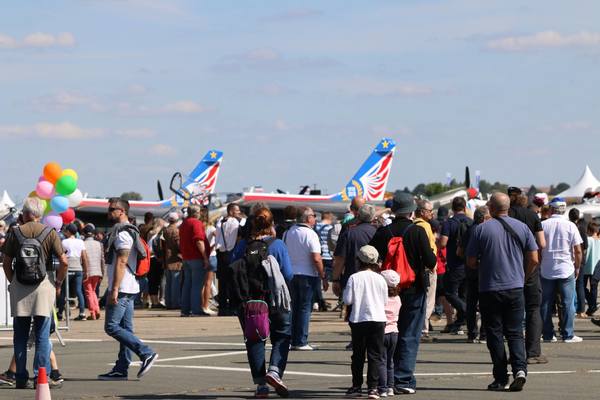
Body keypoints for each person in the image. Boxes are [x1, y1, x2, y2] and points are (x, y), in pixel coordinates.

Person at [466, 192, 539, 392]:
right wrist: (523, 277)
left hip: (490, 288)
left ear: (491, 207)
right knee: (515, 332)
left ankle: (500, 377)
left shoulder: (480, 230)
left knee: (495, 334)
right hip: (515, 287)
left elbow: (471, 262)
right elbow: (534, 258)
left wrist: (484, 262)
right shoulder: (522, 227)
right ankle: (520, 370)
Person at [369, 191, 437, 394]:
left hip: (387, 291)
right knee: (409, 334)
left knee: (388, 332)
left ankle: (385, 379)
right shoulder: (417, 231)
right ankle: (403, 379)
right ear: (412, 211)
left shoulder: (384, 232)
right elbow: (431, 261)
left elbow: (370, 257)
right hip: (413, 288)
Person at [0, 197, 68, 389]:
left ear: (27, 213)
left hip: (20, 287)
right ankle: (41, 375)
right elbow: (63, 261)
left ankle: (20, 376)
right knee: (42, 336)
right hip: (43, 286)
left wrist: (13, 280)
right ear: (39, 214)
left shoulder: (15, 232)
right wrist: (59, 282)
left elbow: (6, 262)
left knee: (20, 336)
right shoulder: (50, 233)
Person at [229, 207, 293, 398]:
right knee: (282, 335)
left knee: (255, 340)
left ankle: (260, 386)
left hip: (251, 301)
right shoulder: (278, 245)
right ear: (271, 224)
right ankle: (274, 371)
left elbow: (232, 268)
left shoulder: (243, 246)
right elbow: (288, 274)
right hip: (275, 299)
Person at [98, 198, 158, 380]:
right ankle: (122, 367)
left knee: (111, 327)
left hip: (123, 286)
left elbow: (122, 261)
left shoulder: (123, 234)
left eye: (112, 209)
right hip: (130, 286)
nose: (109, 212)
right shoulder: (127, 231)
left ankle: (146, 352)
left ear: (122, 211)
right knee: (126, 328)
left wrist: (113, 289)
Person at [507, 186, 548, 364]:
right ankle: (532, 352)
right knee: (533, 309)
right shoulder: (532, 216)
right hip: (529, 266)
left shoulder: (503, 216)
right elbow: (542, 243)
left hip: (508, 266)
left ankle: (514, 353)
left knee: (510, 311)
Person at [343, 245, 388, 399]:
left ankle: (356, 386)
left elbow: (348, 299)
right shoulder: (380, 278)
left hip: (359, 318)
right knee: (375, 354)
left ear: (359, 260)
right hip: (378, 318)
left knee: (358, 355)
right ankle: (373, 388)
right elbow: (384, 300)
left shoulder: (354, 277)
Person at [539, 198, 584, 343]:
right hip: (566, 268)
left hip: (546, 268)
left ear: (551, 209)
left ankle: (548, 334)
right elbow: (578, 250)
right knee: (568, 303)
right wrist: (577, 267)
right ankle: (568, 334)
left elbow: (538, 248)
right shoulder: (571, 226)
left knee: (545, 303)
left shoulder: (543, 225)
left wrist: (539, 264)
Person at [284, 207, 328, 350]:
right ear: (308, 218)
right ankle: (301, 340)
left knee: (293, 307)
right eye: (314, 216)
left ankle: (291, 339)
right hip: (307, 274)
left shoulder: (288, 233)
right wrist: (323, 275)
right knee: (304, 308)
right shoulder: (310, 234)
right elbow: (316, 257)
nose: (315, 218)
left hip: (291, 273)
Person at [439, 197, 473, 334]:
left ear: (452, 208)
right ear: (465, 207)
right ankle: (460, 321)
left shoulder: (449, 223)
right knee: (463, 294)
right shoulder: (471, 222)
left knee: (449, 293)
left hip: (454, 263)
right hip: (469, 263)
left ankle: (465, 311)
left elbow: (443, 243)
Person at [461, 206, 490, 343]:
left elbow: (459, 251)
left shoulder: (468, 231)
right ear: (484, 218)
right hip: (484, 271)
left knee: (471, 303)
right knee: (485, 303)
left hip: (470, 271)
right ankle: (484, 334)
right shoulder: (485, 231)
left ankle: (471, 334)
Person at [179, 205, 210, 317]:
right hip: (196, 257)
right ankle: (196, 309)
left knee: (187, 284)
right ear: (197, 212)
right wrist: (205, 257)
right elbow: (199, 240)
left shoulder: (184, 223)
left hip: (186, 257)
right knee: (197, 285)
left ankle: (185, 310)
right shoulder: (196, 223)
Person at [413, 200, 437, 342]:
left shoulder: (413, 225)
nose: (432, 213)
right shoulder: (425, 226)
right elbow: (430, 248)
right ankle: (423, 329)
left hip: (418, 267)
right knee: (428, 300)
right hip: (428, 268)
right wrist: (433, 265)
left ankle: (422, 327)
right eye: (429, 211)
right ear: (422, 212)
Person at [215, 203, 243, 316]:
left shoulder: (220, 222)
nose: (239, 213)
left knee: (222, 282)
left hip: (221, 254)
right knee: (232, 282)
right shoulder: (235, 222)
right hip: (231, 253)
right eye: (237, 211)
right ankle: (232, 307)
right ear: (231, 211)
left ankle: (222, 308)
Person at [378, 269, 401, 398]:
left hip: (382, 332)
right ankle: (391, 387)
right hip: (394, 332)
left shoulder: (381, 299)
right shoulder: (397, 298)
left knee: (381, 360)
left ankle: (382, 387)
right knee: (390, 361)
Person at [60, 223, 89, 321]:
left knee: (64, 291)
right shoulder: (80, 242)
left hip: (67, 268)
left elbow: (61, 255)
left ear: (68, 231)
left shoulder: (64, 242)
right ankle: (82, 313)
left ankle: (60, 312)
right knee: (78, 291)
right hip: (78, 268)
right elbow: (84, 257)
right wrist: (86, 270)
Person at [569, 208, 588, 318]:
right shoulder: (581, 229)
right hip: (580, 260)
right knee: (580, 285)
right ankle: (581, 310)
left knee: (570, 286)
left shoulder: (568, 226)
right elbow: (585, 246)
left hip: (569, 259)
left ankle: (573, 309)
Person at [82, 223, 104, 320]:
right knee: (93, 291)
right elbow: (102, 259)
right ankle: (97, 309)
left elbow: (81, 259)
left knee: (88, 292)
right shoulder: (99, 244)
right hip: (97, 271)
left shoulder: (82, 244)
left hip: (87, 271)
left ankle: (92, 312)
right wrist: (102, 272)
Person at [314, 211, 335, 311]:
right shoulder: (330, 228)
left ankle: (318, 300)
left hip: (319, 254)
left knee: (319, 278)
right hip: (329, 255)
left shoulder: (315, 227)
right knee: (331, 277)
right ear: (329, 218)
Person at [162, 212, 182, 309]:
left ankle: (168, 303)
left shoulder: (165, 230)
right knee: (175, 282)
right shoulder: (176, 231)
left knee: (168, 283)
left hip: (167, 258)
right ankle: (175, 303)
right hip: (175, 259)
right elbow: (179, 245)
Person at [200, 207, 217, 315]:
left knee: (201, 283)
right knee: (208, 283)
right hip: (211, 255)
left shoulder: (200, 227)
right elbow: (218, 238)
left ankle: (201, 304)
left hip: (201, 256)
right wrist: (214, 246)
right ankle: (206, 305)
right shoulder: (211, 228)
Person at [147, 219, 166, 308]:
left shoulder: (150, 233)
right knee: (156, 280)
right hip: (155, 258)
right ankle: (155, 301)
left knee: (152, 281)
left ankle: (154, 300)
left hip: (150, 259)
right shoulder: (157, 234)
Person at [583, 222, 600, 316]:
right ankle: (592, 305)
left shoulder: (588, 239)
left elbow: (585, 252)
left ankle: (591, 304)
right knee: (594, 287)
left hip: (586, 266)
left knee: (582, 287)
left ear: (589, 230)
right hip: (597, 267)